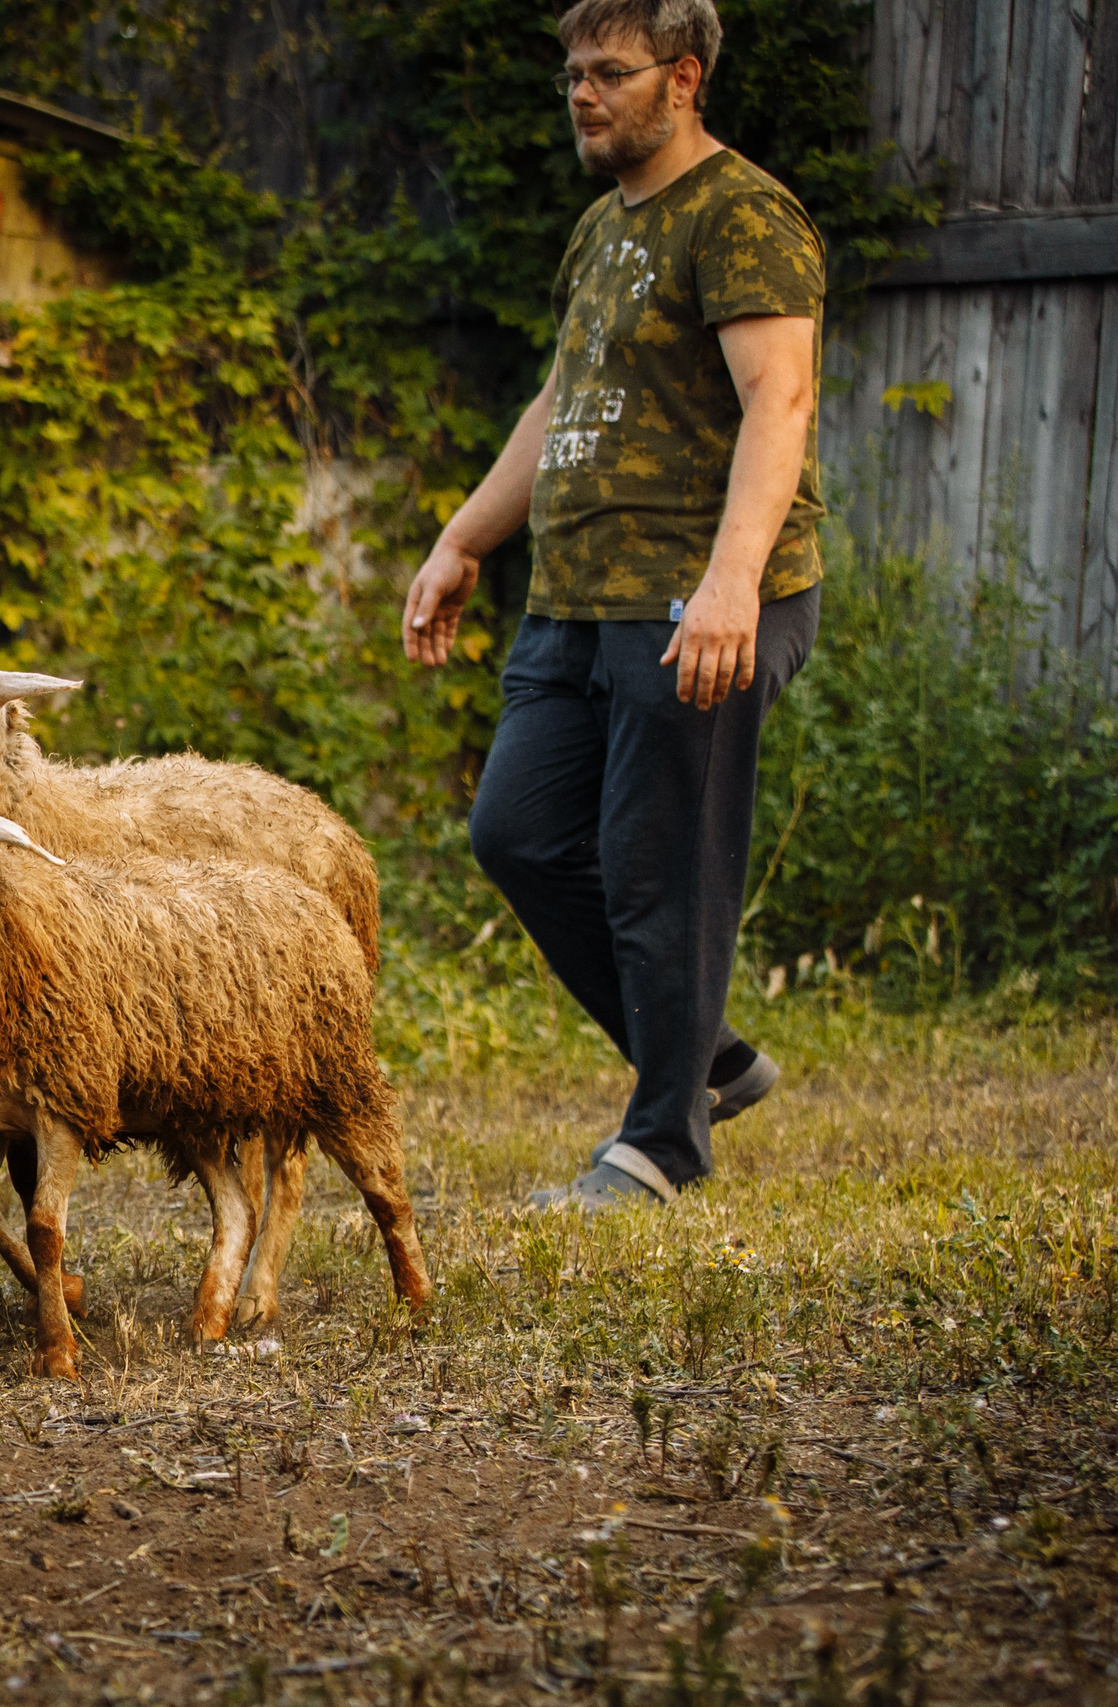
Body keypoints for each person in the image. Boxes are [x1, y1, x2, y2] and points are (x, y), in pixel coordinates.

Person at [401, 0, 823, 1210]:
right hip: (578, 600)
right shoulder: (599, 229)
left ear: (681, 78)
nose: (582, 94)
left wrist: (731, 582)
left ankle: (660, 1144)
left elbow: (777, 403)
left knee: (657, 870)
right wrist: (463, 538)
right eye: (572, 73)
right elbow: (559, 400)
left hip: (699, 597)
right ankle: (714, 1063)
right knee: (516, 833)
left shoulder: (743, 215)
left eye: (610, 73)